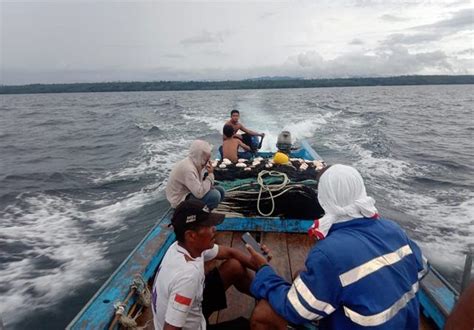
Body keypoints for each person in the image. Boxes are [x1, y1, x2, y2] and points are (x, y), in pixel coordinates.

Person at [246, 164, 428, 329]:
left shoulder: (328, 253)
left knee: (264, 313)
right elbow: (422, 268)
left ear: (323, 199)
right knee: (302, 275)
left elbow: (294, 309)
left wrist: (263, 269)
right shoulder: (394, 229)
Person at [152, 200, 270, 330]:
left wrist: (260, 265)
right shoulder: (188, 277)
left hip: (193, 307)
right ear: (191, 235)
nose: (214, 228)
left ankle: (271, 298)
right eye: (208, 225)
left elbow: (230, 252)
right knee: (257, 325)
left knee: (234, 266)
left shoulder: (183, 247)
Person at [166, 140, 224, 209]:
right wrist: (210, 174)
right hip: (180, 200)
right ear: (200, 156)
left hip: (191, 192)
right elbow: (199, 193)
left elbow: (198, 185)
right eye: (206, 159)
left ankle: (205, 210)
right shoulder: (189, 169)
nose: (207, 162)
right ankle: (202, 213)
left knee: (221, 190)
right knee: (215, 195)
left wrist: (209, 184)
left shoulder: (195, 163)